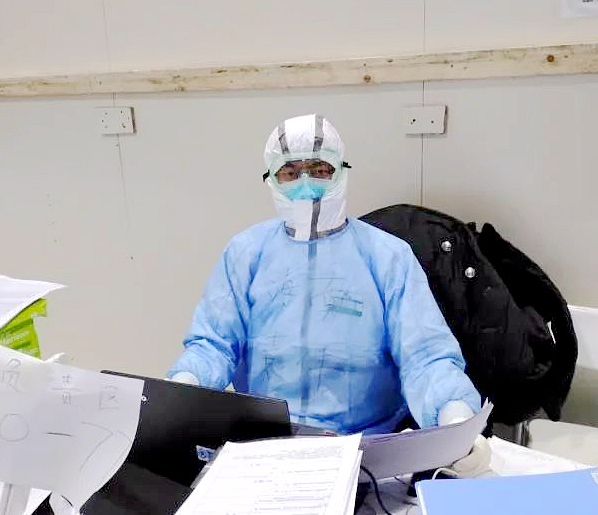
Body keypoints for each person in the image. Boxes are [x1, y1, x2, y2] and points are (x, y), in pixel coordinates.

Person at [168, 113, 482, 435]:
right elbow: (213, 345)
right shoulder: (245, 253)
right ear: (271, 179)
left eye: (320, 170)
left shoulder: (388, 257)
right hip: (265, 441)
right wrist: (183, 388)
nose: (306, 184)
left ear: (342, 171)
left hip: (365, 443)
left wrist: (455, 419)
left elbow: (425, 356)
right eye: (290, 172)